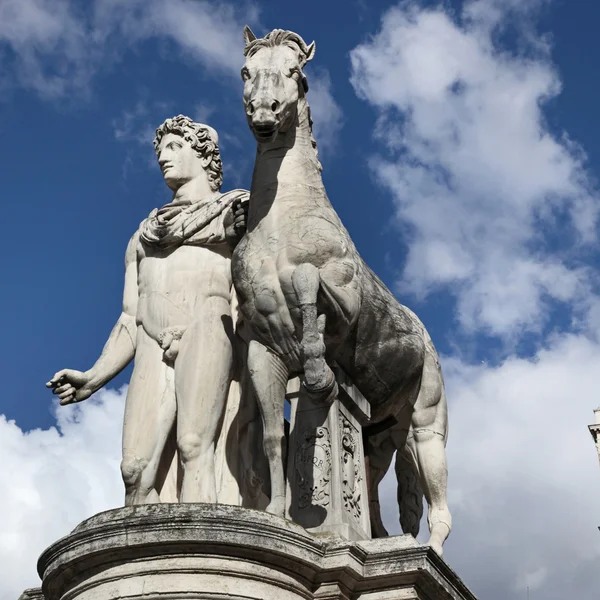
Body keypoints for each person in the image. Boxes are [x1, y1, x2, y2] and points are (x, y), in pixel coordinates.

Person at [46, 115, 248, 505]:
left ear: (203, 154)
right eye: (160, 151)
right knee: (134, 471)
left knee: (193, 447)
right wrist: (93, 377)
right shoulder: (144, 235)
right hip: (154, 342)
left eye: (175, 147)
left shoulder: (233, 213)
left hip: (209, 328)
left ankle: (201, 556)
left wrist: (245, 231)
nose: (163, 158)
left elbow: (260, 280)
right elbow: (129, 318)